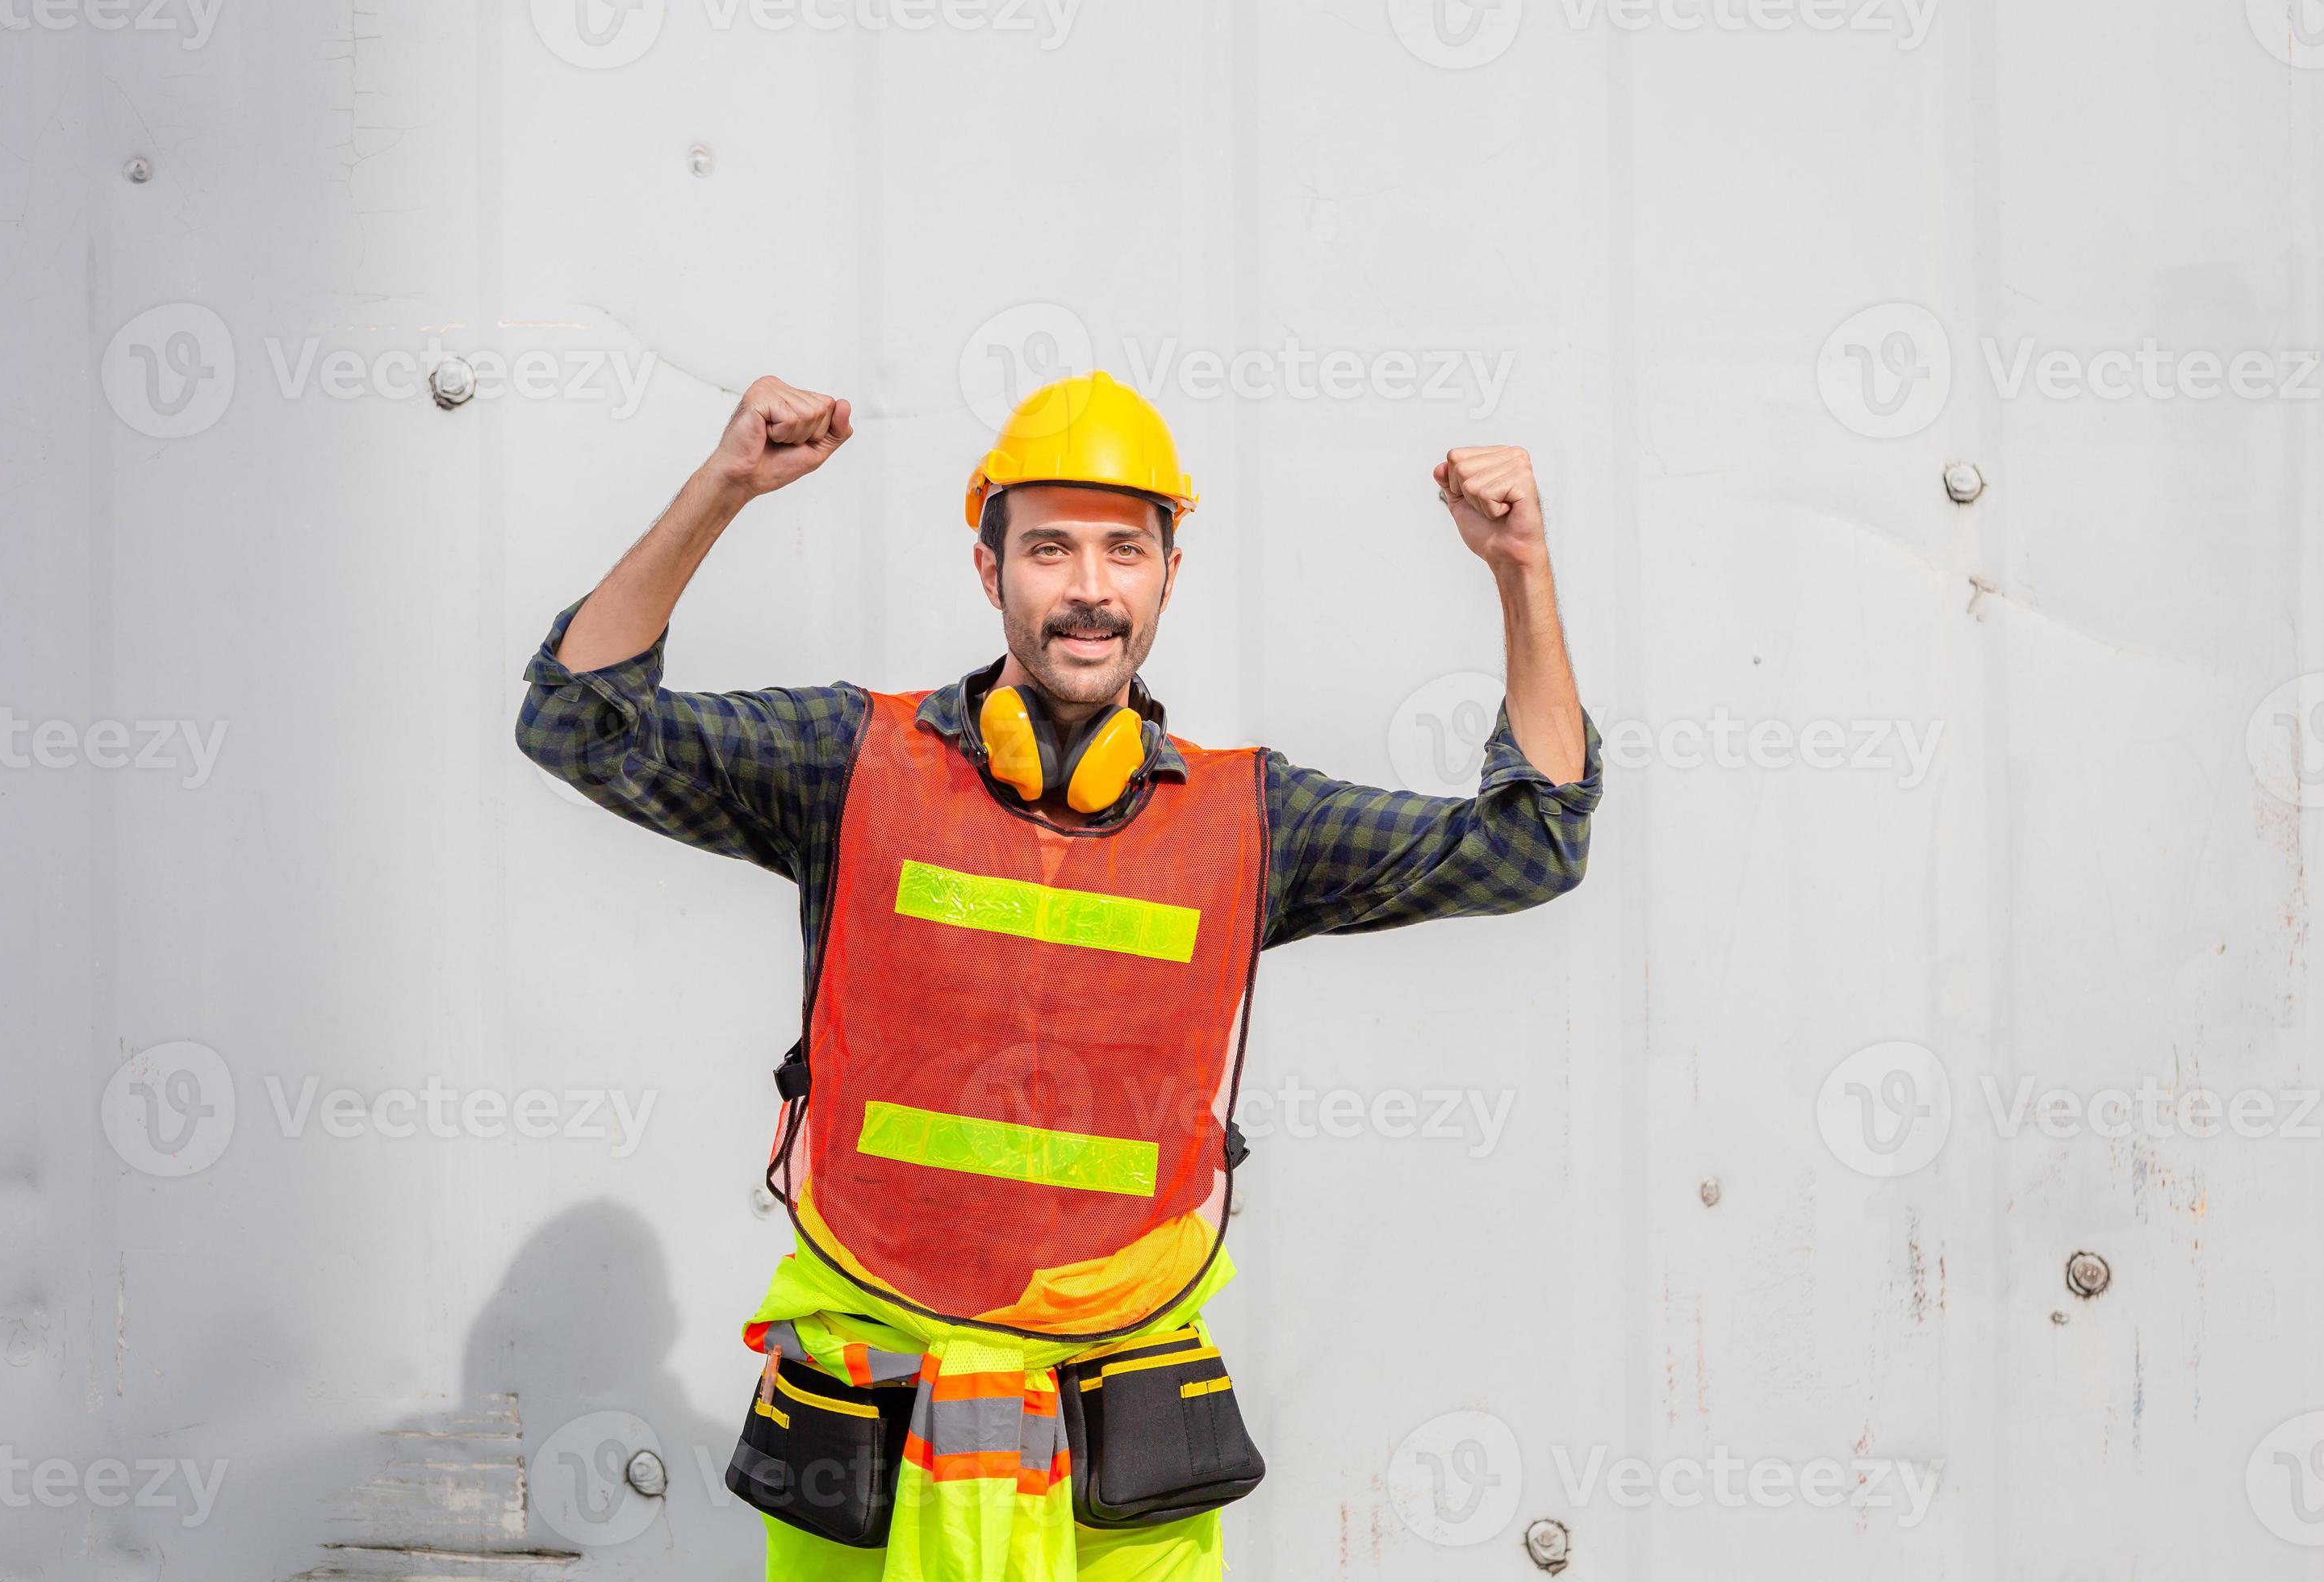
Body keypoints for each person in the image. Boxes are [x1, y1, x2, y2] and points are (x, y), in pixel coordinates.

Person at [516, 369, 1603, 1581]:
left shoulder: (1253, 822)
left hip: (1119, 1410)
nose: (1089, 588)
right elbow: (578, 723)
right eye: (1049, 549)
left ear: (1168, 575)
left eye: (1124, 552)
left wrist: (1523, 572)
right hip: (867, 1392)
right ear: (989, 571)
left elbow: (1533, 845)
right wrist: (724, 488)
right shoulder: (846, 765)